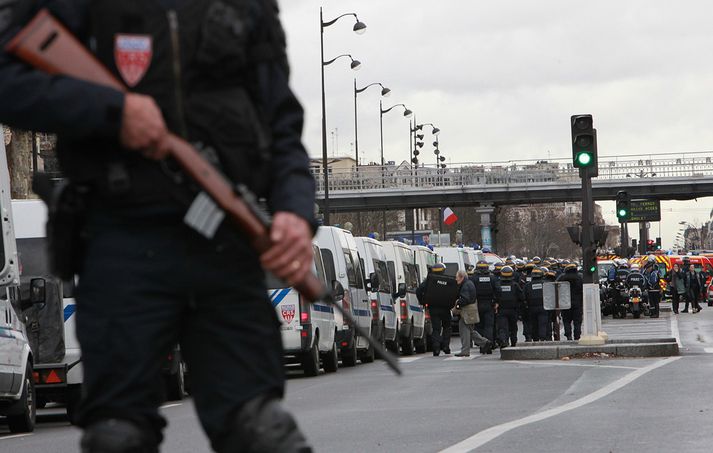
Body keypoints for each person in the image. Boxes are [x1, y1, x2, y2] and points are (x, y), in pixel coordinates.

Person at [0, 2, 315, 452]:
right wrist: (112, 111)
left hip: (224, 247)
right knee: (118, 436)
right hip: (121, 241)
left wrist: (294, 210)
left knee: (261, 431)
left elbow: (282, 123)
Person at [417, 263, 458, 356]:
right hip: (446, 308)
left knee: (436, 329)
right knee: (447, 327)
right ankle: (446, 346)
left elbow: (419, 290)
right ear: (443, 270)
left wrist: (422, 301)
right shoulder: (449, 280)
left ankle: (436, 348)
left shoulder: (429, 280)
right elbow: (455, 292)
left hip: (433, 308)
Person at [454, 271, 492, 357]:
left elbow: (465, 299)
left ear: (462, 277)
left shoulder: (465, 285)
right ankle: (485, 343)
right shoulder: (468, 283)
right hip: (471, 311)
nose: (456, 279)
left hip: (467, 312)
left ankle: (465, 351)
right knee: (470, 331)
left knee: (464, 330)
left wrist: (458, 304)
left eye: (457, 277)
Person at [495, 266, 524, 348]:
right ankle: (513, 342)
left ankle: (504, 340)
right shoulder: (515, 285)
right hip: (513, 310)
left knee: (502, 327)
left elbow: (495, 296)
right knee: (513, 327)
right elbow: (521, 297)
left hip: (501, 310)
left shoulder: (498, 285)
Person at [471, 260, 497, 345]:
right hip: (489, 304)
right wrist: (496, 302)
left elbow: (470, 291)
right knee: (489, 326)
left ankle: (482, 344)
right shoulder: (492, 278)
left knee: (479, 325)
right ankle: (489, 343)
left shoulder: (473, 278)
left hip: (477, 305)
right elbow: (497, 291)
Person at [557, 263, 583, 340]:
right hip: (577, 303)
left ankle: (568, 335)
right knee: (577, 321)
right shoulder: (580, 277)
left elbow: (555, 287)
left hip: (565, 302)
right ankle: (577, 336)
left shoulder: (562, 277)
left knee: (566, 320)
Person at [525, 268, 548, 341]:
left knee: (534, 324)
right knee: (542, 323)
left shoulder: (527, 285)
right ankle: (542, 338)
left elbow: (524, 297)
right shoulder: (545, 284)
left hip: (532, 308)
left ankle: (535, 338)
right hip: (543, 307)